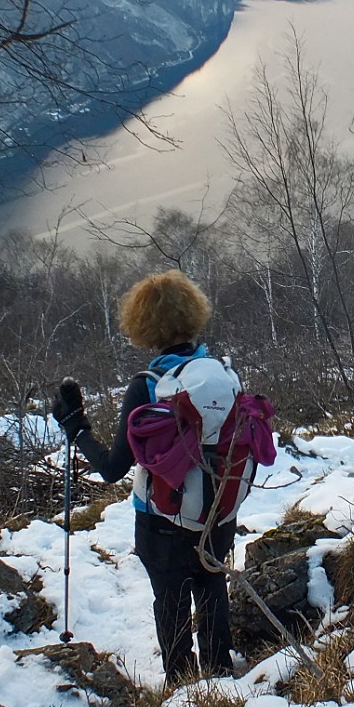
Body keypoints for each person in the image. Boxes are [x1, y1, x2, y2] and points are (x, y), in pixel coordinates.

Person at [52, 270, 238, 683]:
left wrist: (77, 428)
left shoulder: (148, 386)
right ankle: (223, 679)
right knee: (211, 586)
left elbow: (113, 468)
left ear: (144, 327)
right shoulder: (220, 374)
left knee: (170, 601)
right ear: (193, 313)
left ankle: (183, 687)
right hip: (218, 512)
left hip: (163, 521)